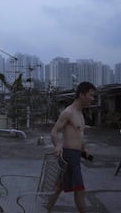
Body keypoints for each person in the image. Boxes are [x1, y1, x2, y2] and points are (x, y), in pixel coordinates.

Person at [46, 81, 96, 213]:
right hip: (68, 156)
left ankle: (46, 209)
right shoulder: (68, 112)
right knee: (79, 189)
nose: (93, 99)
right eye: (91, 95)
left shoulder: (80, 113)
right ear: (81, 95)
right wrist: (57, 145)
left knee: (58, 187)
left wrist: (84, 150)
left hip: (75, 155)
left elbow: (79, 134)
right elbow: (54, 131)